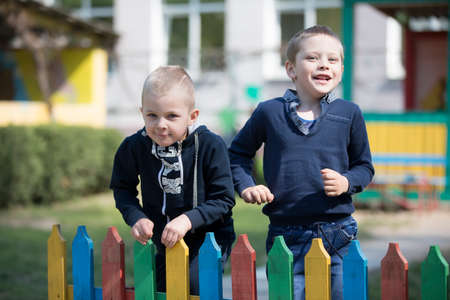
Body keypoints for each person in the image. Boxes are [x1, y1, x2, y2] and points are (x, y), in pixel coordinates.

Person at [229, 25, 374, 300]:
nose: (324, 65)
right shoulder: (268, 112)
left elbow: (364, 167)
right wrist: (247, 185)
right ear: (291, 69)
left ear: (341, 69)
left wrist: (346, 181)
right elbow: (237, 154)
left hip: (339, 232)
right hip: (286, 235)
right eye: (313, 58)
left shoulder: (349, 113)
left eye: (333, 60)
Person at [110, 65, 236, 295]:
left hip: (209, 239)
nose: (161, 124)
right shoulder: (134, 147)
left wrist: (187, 220)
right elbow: (122, 188)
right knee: (158, 290)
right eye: (152, 115)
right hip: (163, 240)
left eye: (172, 116)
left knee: (194, 286)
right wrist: (136, 217)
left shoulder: (210, 145)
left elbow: (224, 199)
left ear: (192, 116)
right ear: (142, 113)